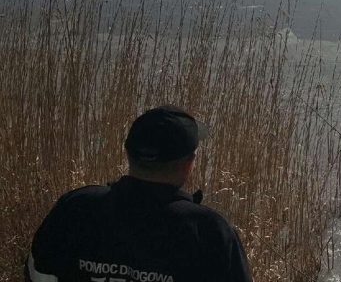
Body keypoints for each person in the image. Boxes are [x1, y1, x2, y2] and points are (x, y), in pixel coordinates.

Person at [26, 105, 253, 282]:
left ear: (127, 153)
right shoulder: (209, 232)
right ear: (189, 163)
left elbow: (36, 272)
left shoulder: (75, 208)